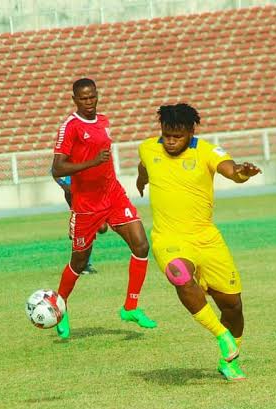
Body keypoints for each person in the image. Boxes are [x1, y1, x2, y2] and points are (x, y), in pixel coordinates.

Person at [136, 103, 261, 381]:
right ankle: (221, 335)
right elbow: (143, 166)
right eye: (166, 134)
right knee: (178, 274)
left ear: (191, 131)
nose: (170, 141)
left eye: (177, 136)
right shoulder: (147, 148)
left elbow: (230, 170)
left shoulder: (206, 150)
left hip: (207, 238)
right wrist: (140, 180)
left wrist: (242, 172)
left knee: (233, 305)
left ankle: (228, 361)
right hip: (169, 238)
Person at [51, 78, 156, 339]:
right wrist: (92, 162)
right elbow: (58, 168)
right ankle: (59, 307)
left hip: (113, 196)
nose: (89, 102)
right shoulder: (70, 127)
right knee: (79, 261)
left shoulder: (104, 121)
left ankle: (131, 307)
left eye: (92, 97)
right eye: (83, 98)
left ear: (97, 96)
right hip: (87, 205)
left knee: (141, 245)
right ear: (74, 99)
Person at [53, 173, 108, 274]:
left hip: (91, 194)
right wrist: (64, 185)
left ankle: (83, 263)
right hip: (76, 198)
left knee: (102, 228)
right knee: (81, 232)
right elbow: (54, 171)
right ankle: (83, 265)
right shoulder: (68, 160)